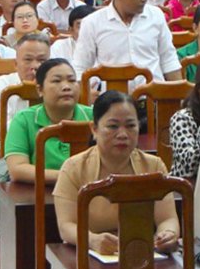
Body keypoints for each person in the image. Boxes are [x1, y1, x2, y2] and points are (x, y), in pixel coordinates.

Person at [54, 92, 180, 255]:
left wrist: (167, 234)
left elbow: (167, 218)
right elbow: (66, 226)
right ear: (94, 129)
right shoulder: (73, 168)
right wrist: (92, 240)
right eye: (113, 126)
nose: (122, 134)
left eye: (130, 125)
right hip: (88, 256)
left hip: (141, 254)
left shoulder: (153, 165)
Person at [71, 0, 182, 88]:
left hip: (153, 100)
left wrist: (178, 97)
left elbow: (169, 60)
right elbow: (80, 68)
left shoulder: (156, 16)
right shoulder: (92, 23)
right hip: (111, 103)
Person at [4, 58, 90, 184]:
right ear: (39, 90)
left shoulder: (95, 117)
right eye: (56, 81)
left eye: (72, 80)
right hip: (37, 193)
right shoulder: (23, 120)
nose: (66, 87)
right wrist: (67, 177)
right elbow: (17, 169)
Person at [0, 33, 51, 140]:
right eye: (28, 60)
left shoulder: (55, 86)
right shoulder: (1, 86)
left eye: (42, 60)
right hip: (7, 149)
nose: (35, 66)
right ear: (16, 64)